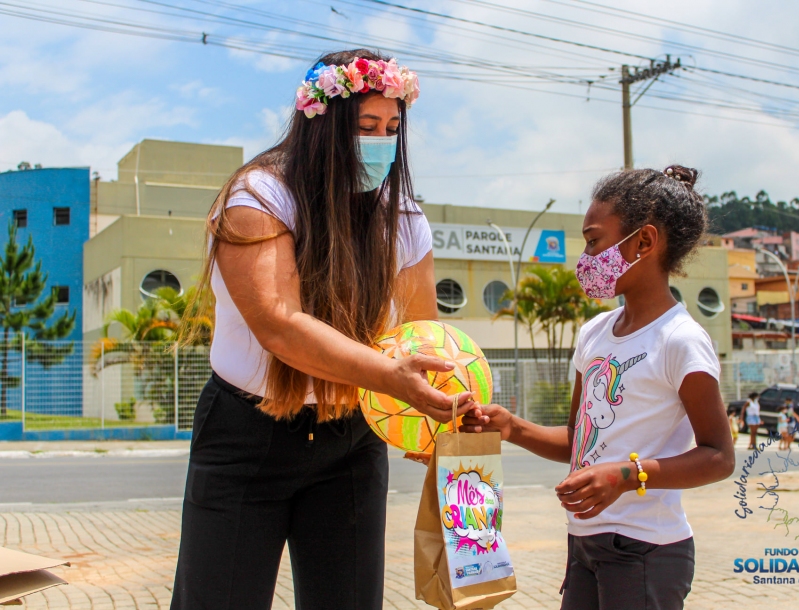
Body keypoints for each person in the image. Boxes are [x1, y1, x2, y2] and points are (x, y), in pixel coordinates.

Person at [170, 50, 473, 610]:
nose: (380, 142)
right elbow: (280, 325)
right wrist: (393, 377)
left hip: (352, 440)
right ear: (321, 125)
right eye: (366, 126)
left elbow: (420, 334)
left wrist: (434, 409)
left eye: (392, 129)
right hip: (247, 434)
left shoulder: (403, 217)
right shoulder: (259, 198)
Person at [461, 166, 735, 610]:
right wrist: (512, 427)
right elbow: (580, 440)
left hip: (646, 551)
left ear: (643, 242)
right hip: (584, 544)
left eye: (593, 241)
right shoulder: (594, 333)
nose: (586, 258)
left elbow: (719, 457)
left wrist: (626, 475)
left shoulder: (680, 340)